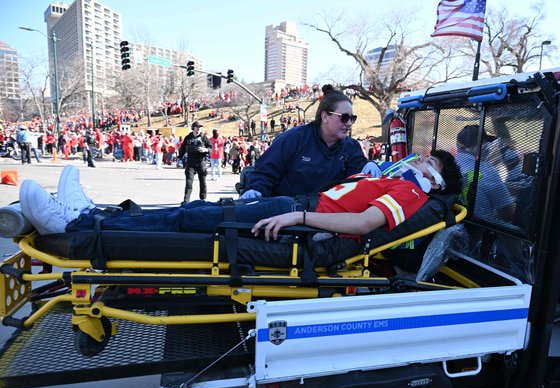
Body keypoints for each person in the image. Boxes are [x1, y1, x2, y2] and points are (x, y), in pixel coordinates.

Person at [19, 151, 461, 242]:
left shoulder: (412, 192)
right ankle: (89, 215)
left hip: (298, 214)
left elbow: (365, 224)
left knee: (190, 220)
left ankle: (75, 224)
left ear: (436, 182)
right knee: (194, 211)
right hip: (295, 205)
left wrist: (299, 219)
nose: (421, 160)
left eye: (431, 163)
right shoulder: (393, 178)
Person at [240, 85, 372, 199]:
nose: (349, 123)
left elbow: (356, 182)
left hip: (328, 218)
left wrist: (369, 167)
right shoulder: (294, 138)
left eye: (352, 118)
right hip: (287, 215)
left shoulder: (352, 147)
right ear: (325, 117)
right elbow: (267, 170)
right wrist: (256, 190)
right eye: (344, 117)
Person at [455, 124, 514, 220]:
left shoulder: (450, 164)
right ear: (479, 148)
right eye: (486, 144)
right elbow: (507, 212)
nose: (489, 148)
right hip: (483, 229)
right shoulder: (488, 170)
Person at [178, 121, 212, 203]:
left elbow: (211, 148)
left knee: (203, 182)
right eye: (197, 127)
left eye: (200, 127)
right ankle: (186, 201)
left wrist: (205, 149)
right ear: (193, 128)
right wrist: (179, 158)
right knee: (189, 182)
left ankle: (203, 199)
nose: (199, 128)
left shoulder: (204, 138)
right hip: (191, 162)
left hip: (201, 162)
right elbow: (182, 148)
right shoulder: (188, 137)